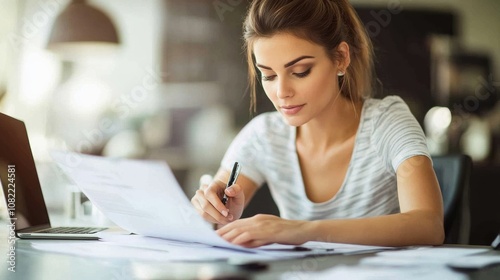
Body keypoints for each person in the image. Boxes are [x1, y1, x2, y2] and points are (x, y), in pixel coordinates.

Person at [191, 0, 444, 248]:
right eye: (268, 75)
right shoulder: (263, 135)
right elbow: (213, 210)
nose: (281, 92)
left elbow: (428, 225)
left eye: (300, 71)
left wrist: (303, 230)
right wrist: (216, 211)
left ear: (341, 58)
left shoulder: (387, 123)